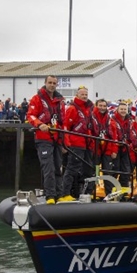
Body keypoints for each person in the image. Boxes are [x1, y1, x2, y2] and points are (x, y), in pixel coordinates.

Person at [27, 75, 65, 204]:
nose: (52, 85)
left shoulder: (60, 101)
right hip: (43, 138)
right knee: (48, 167)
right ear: (45, 83)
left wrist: (64, 141)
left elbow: (62, 121)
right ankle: (50, 196)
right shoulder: (37, 98)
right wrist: (39, 124)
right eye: (50, 82)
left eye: (54, 83)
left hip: (57, 138)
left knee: (58, 167)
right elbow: (30, 115)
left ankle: (59, 194)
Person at [58, 86, 94, 202]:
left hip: (86, 143)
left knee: (88, 169)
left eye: (86, 95)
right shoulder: (73, 108)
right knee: (72, 168)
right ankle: (65, 193)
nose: (84, 97)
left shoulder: (87, 109)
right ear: (77, 95)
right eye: (82, 94)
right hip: (75, 143)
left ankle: (85, 193)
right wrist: (66, 143)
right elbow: (65, 127)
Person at [92, 98, 120, 195]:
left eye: (104, 106)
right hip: (95, 150)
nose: (102, 108)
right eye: (100, 105)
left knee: (108, 173)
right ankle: (92, 193)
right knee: (93, 172)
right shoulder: (91, 118)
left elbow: (114, 137)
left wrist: (114, 151)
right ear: (96, 106)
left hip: (107, 151)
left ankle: (109, 194)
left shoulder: (110, 121)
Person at [112, 102, 133, 193]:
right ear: (117, 110)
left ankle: (123, 190)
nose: (123, 111)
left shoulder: (129, 121)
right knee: (115, 169)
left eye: (125, 109)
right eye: (121, 109)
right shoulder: (112, 120)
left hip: (125, 148)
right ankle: (113, 188)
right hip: (116, 148)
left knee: (126, 170)